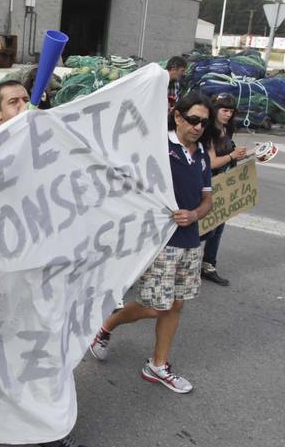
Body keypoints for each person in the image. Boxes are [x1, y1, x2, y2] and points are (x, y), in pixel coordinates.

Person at [0, 78, 94, 447]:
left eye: (27, 99)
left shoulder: (52, 150)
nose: (24, 106)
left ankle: (51, 427)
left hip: (48, 275)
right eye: (13, 102)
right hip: (3, 277)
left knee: (47, 348)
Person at [88, 93, 214, 393]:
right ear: (178, 117)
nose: (198, 127)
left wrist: (195, 213)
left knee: (177, 304)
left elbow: (208, 198)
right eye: (194, 120)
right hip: (159, 240)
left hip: (190, 240)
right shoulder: (157, 147)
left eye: (204, 123)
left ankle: (158, 365)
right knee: (156, 307)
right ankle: (106, 327)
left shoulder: (202, 155)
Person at [200, 92, 248, 287]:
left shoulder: (226, 130)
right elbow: (211, 162)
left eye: (231, 111)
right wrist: (233, 155)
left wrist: (255, 153)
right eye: (224, 110)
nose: (228, 114)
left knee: (218, 226)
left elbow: (231, 156)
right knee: (204, 229)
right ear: (214, 110)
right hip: (208, 184)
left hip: (223, 183)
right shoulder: (208, 131)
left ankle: (208, 264)